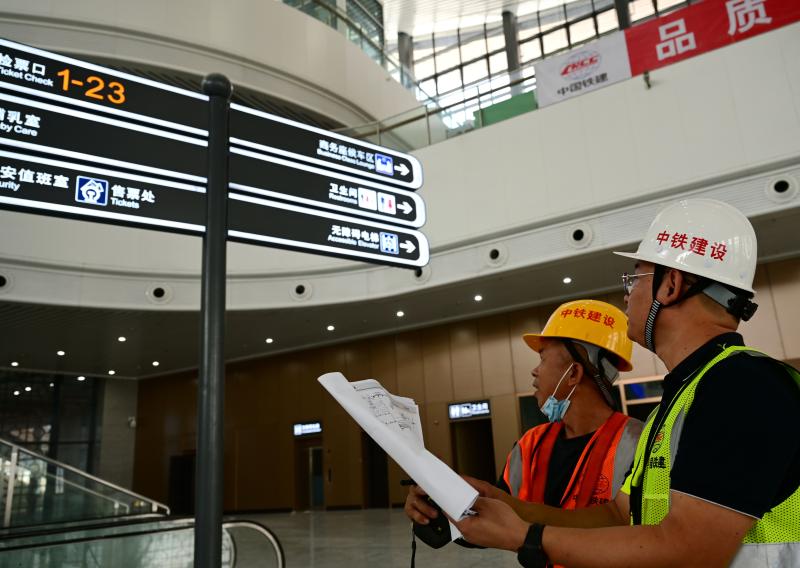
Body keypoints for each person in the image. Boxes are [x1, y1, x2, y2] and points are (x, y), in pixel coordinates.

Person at [454, 198, 800, 567]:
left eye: (634, 278)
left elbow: (691, 549)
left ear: (671, 285)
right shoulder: (680, 399)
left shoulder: (741, 387)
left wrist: (526, 537)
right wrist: (501, 503)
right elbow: (618, 517)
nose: (626, 294)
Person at [405, 300, 643, 547]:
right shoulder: (531, 445)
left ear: (573, 373)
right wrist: (435, 510)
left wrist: (502, 504)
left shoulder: (639, 442)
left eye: (542, 358)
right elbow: (493, 523)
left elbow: (635, 534)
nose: (534, 371)